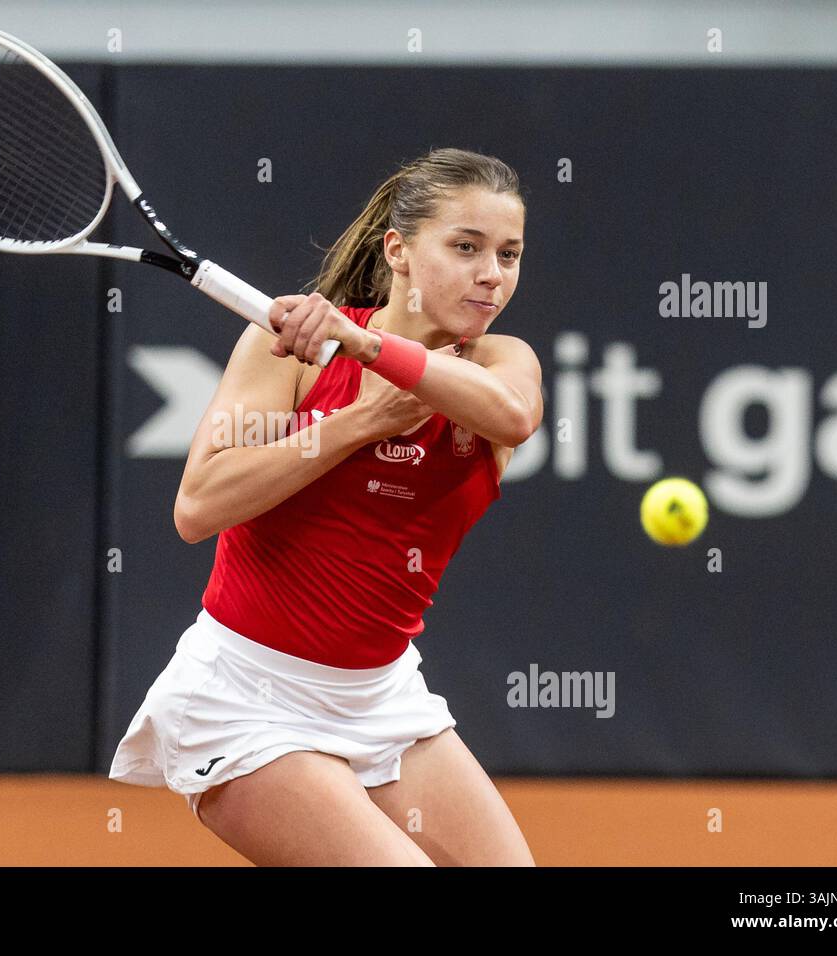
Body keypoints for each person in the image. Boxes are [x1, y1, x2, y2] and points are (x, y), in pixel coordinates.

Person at [110, 148, 543, 865]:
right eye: (465, 248)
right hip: (245, 698)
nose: (491, 274)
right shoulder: (291, 351)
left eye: (509, 253)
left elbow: (514, 416)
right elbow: (197, 506)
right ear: (398, 251)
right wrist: (352, 424)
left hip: (383, 699)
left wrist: (369, 347)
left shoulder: (501, 361)